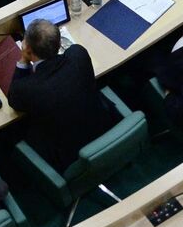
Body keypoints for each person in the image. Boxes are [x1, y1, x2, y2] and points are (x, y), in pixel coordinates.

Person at [7, 18, 118, 169]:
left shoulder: (26, 88)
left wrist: (24, 59)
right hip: (105, 128)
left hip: (70, 156)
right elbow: (71, 51)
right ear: (59, 44)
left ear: (28, 50)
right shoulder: (78, 55)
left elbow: (13, 99)